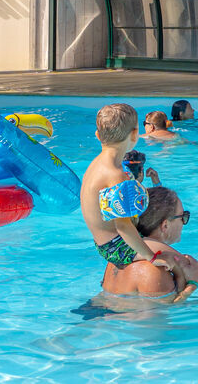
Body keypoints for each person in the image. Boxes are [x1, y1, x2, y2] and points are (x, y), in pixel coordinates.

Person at [80, 103, 179, 272]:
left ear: (98, 135)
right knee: (179, 262)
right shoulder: (115, 174)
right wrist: (151, 257)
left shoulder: (96, 165)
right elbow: (123, 226)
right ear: (134, 134)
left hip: (104, 242)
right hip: (117, 246)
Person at [101, 186, 198, 303]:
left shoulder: (116, 259)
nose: (184, 222)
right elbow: (155, 319)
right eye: (182, 216)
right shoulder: (154, 270)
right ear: (165, 225)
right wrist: (192, 285)